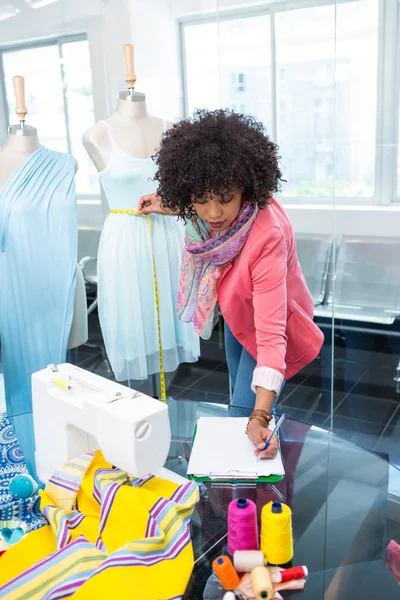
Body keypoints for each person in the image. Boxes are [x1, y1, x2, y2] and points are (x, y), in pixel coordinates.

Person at [138, 109, 324, 460]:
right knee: (235, 402)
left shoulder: (265, 236)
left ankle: (254, 506)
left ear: (246, 187)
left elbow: (271, 337)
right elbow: (200, 203)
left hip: (270, 326)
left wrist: (260, 415)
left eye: (225, 198)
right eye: (200, 199)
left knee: (244, 417)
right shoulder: (208, 204)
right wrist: (164, 203)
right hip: (239, 318)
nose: (212, 214)